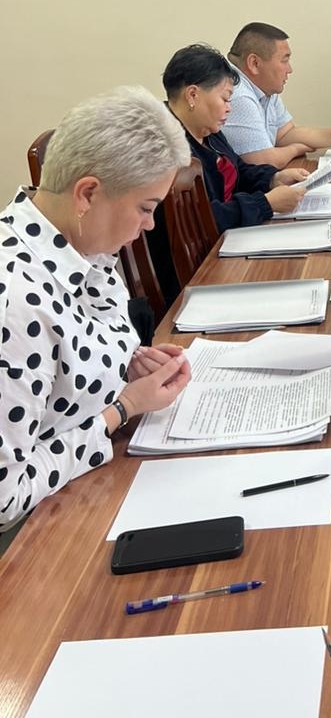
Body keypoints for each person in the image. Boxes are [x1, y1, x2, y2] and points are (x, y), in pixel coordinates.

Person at [0, 87, 193, 534]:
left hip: (84, 488)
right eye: (145, 208)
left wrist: (128, 365)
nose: (149, 225)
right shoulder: (17, 302)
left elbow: (65, 368)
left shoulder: (83, 250)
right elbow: (6, 497)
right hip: (32, 534)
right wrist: (122, 409)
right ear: (87, 194)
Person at [162, 44, 308, 230]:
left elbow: (239, 169)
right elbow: (196, 220)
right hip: (213, 246)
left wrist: (274, 179)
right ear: (192, 95)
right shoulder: (165, 148)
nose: (229, 108)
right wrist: (264, 204)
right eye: (224, 99)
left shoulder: (209, 132)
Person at [223, 22, 331, 167]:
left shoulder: (263, 86)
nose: (290, 69)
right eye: (284, 61)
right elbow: (264, 161)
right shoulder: (237, 94)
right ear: (254, 63)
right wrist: (296, 149)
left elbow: (285, 134)